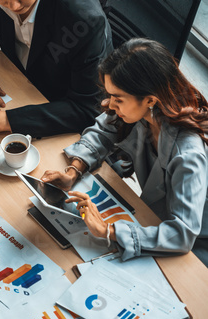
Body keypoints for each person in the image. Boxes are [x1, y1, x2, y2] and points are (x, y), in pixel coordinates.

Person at [41, 38, 208, 264]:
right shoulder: (147, 110)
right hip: (153, 219)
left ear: (150, 99)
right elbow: (102, 131)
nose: (109, 105)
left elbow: (182, 234)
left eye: (117, 99)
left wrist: (108, 230)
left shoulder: (188, 154)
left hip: (197, 243)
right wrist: (73, 172)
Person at [0, 0, 113, 139]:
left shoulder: (85, 20)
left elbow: (87, 109)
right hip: (16, 79)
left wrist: (2, 121)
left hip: (56, 105)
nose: (14, 6)